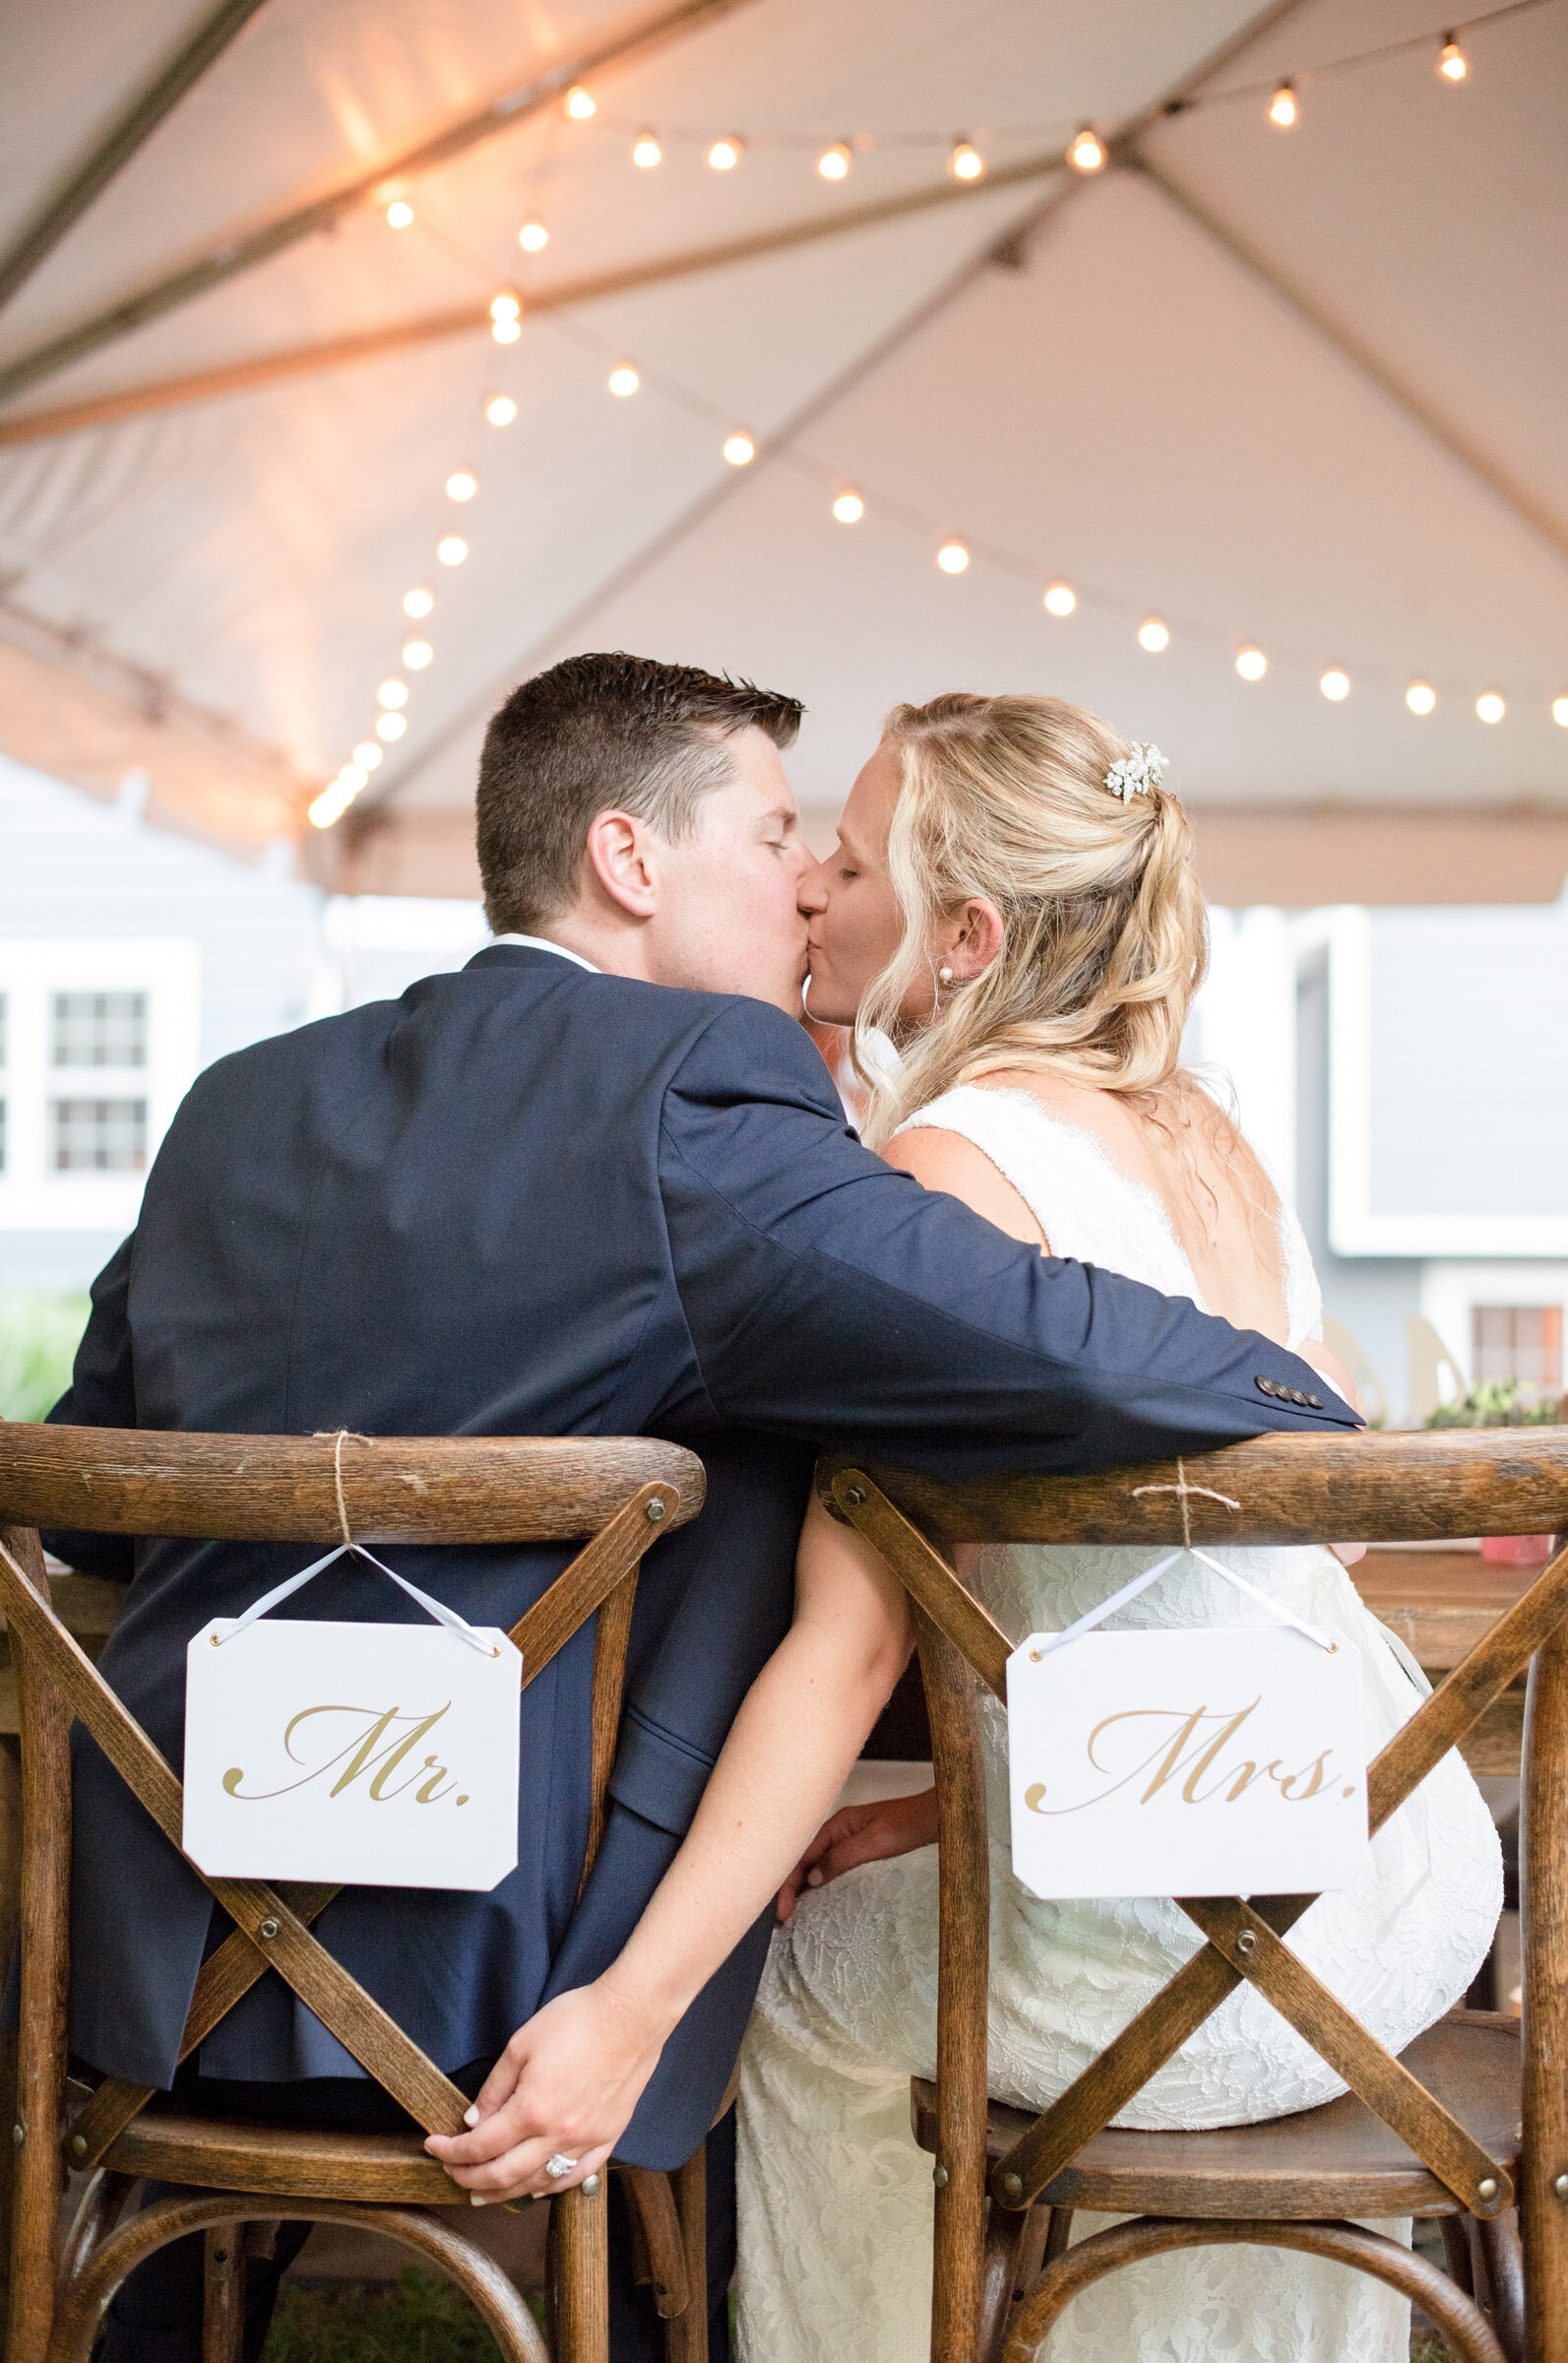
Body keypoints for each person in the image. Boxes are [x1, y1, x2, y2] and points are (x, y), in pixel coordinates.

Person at [42, 656, 1357, 2363]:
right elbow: (1036, 1340)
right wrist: (1302, 1397)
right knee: (770, 1459)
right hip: (521, 1978)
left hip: (163, 1936)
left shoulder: (240, 1105)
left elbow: (95, 1497)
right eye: (772, 832)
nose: (804, 878)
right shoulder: (700, 1090)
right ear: (628, 861)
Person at [733, 693, 1502, 2363]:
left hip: (1183, 1953)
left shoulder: (941, 1170)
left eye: (849, 863)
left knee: (791, 1993)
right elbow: (1231, 1586)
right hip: (1386, 1896)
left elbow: (851, 1633)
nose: (810, 892)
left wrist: (644, 1984)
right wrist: (958, 1806)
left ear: (963, 935)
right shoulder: (1204, 1127)